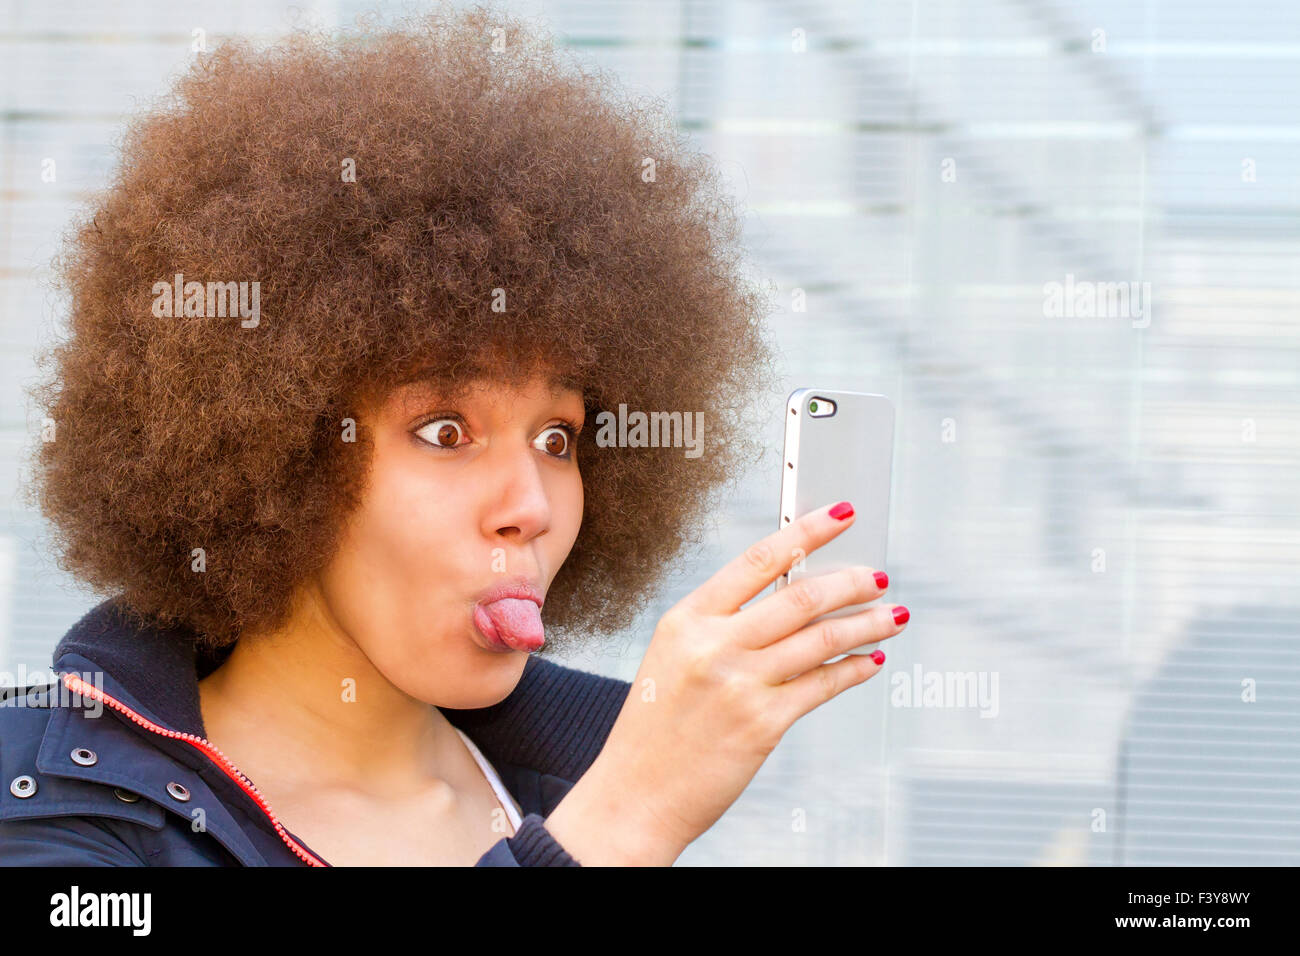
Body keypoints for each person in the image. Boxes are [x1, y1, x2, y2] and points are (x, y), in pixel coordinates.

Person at [0, 5, 908, 866]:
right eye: (445, 429)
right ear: (274, 455)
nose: (530, 506)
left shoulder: (574, 781)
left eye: (557, 439)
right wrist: (614, 832)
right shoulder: (53, 803)